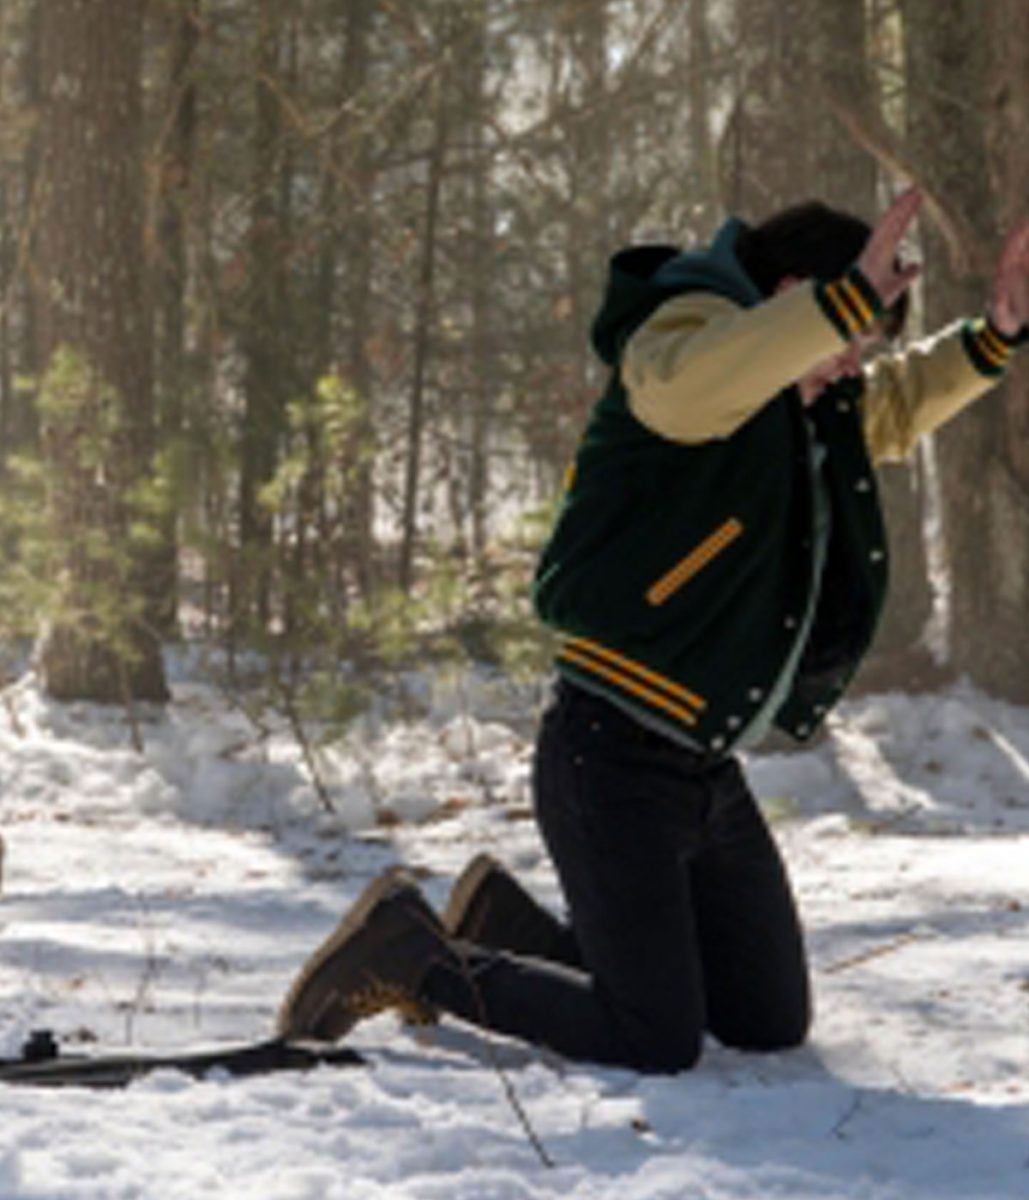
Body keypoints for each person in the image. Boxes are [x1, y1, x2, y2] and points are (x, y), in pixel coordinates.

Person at [277, 188, 1029, 1072]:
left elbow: (890, 411)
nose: (845, 369)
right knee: (654, 1039)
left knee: (762, 1020)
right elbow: (695, 387)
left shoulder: (790, 395)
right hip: (608, 755)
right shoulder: (679, 342)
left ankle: (499, 925)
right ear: (792, 295)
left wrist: (996, 335)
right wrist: (834, 311)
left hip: (703, 769)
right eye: (845, 345)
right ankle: (410, 956)